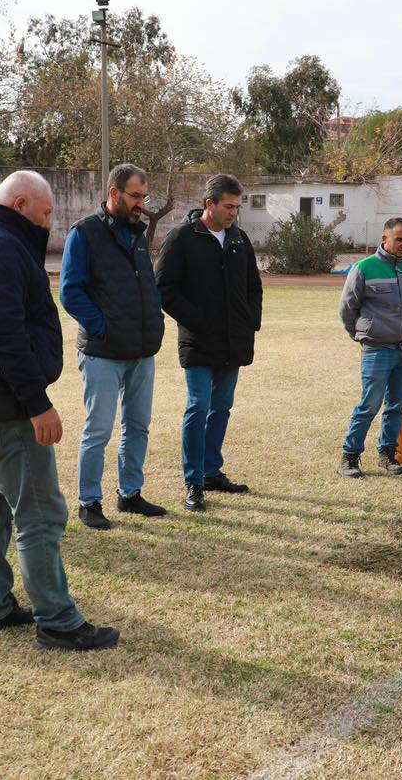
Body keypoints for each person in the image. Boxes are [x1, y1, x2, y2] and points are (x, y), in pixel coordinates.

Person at [0, 170, 119, 650]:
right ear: (20, 204)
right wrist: (38, 404)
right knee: (40, 511)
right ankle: (57, 620)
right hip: (2, 403)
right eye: (45, 214)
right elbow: (1, 335)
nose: (49, 224)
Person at [59, 163, 167, 530]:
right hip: (102, 353)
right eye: (136, 196)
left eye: (144, 197)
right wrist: (103, 327)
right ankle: (89, 501)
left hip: (141, 351)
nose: (142, 204)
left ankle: (130, 494)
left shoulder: (138, 233)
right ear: (115, 193)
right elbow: (70, 292)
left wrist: (153, 321)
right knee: (98, 430)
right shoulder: (85, 233)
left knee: (138, 427)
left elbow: (144, 285)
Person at [154, 174, 262, 512]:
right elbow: (164, 289)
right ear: (209, 204)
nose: (234, 213)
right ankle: (194, 481)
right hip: (199, 342)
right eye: (228, 206)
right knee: (198, 407)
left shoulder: (240, 239)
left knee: (221, 408)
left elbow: (253, 287)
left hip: (234, 342)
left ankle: (213, 473)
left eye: (237, 207)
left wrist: (250, 322)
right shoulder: (182, 238)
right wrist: (198, 321)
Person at [337, 218, 402, 478]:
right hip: (378, 349)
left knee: (397, 406)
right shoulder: (364, 268)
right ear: (384, 238)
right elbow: (347, 309)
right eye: (399, 239)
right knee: (369, 405)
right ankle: (350, 458)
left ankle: (388, 455)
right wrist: (361, 335)